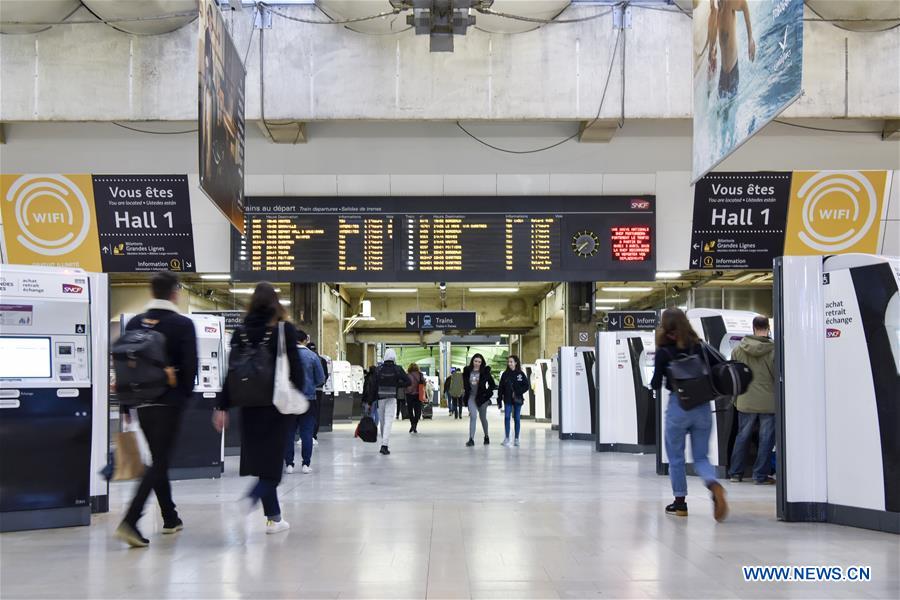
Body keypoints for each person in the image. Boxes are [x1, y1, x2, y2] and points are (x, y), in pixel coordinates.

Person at [115, 272, 198, 548]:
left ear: (152, 292)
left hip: (142, 402)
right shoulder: (181, 324)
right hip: (169, 402)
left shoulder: (137, 322)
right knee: (160, 461)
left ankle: (170, 517)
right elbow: (190, 368)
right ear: (175, 293)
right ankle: (130, 519)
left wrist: (127, 404)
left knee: (158, 457)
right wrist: (183, 397)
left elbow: (126, 364)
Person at [214, 283, 304, 535]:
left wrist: (222, 405)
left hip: (248, 405)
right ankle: (249, 500)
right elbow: (296, 370)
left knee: (263, 464)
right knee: (274, 469)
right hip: (276, 406)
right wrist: (298, 397)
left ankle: (274, 518)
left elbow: (231, 372)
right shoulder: (284, 330)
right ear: (276, 304)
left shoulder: (240, 332)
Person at [651, 308, 728, 522]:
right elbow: (718, 369)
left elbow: (656, 383)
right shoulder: (699, 346)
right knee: (702, 457)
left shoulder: (664, 351)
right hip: (702, 407)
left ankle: (680, 503)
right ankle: (713, 484)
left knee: (676, 458)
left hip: (678, 407)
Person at [728, 315, 776, 485]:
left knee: (742, 436)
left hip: (744, 399)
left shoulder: (738, 349)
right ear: (768, 327)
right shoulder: (774, 349)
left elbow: (734, 374)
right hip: (768, 402)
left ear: (753, 327)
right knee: (766, 439)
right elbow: (777, 376)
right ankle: (760, 476)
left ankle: (735, 473)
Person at [284, 333, 326, 475]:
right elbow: (321, 379)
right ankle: (305, 465)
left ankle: (289, 464)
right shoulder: (313, 356)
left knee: (288, 433)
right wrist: (310, 384)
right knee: (307, 433)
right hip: (308, 399)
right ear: (305, 340)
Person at [707, 0, 755, 99]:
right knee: (719, 109)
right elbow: (717, 33)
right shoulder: (717, 11)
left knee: (730, 107)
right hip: (723, 72)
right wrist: (712, 51)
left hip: (733, 71)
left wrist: (750, 39)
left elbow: (744, 6)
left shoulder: (729, 3)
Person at [370, 349, 410, 455]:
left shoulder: (378, 369)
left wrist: (371, 400)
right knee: (388, 421)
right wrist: (397, 385)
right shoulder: (398, 369)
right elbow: (408, 381)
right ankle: (384, 445)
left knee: (383, 422)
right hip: (392, 397)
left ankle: (384, 443)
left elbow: (373, 385)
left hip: (380, 398)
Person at [463, 354, 496, 447]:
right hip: (471, 397)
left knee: (483, 418)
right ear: (472, 361)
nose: (477, 363)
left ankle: (486, 436)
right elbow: (465, 384)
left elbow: (492, 385)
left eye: (479, 362)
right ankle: (471, 439)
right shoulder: (467, 371)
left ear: (482, 363)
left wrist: (487, 394)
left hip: (482, 398)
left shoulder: (485, 372)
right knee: (473, 416)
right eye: (475, 361)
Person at [497, 355, 530, 447]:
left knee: (517, 418)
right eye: (508, 362)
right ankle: (507, 438)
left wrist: (518, 391)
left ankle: (516, 439)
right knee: (507, 417)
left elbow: (526, 386)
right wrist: (499, 399)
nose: (509, 363)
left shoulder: (520, 374)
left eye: (511, 362)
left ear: (516, 363)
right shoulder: (505, 374)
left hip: (517, 399)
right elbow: (501, 388)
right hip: (507, 399)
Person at [307, 341, 327, 445]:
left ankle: (306, 435)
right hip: (318, 390)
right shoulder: (321, 360)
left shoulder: (305, 357)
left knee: (305, 412)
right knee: (316, 412)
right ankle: (313, 435)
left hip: (306, 389)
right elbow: (324, 377)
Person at [405, 363, 424, 434]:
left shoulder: (407, 375)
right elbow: (423, 383)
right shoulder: (420, 374)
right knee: (417, 411)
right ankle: (415, 425)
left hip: (409, 394)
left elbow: (405, 384)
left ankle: (412, 424)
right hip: (418, 394)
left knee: (410, 411)